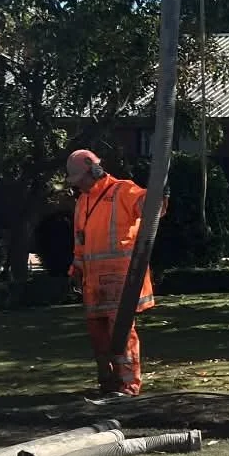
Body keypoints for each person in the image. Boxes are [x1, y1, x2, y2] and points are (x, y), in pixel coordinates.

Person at [66, 150, 155, 396]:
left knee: (122, 333)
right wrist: (77, 267)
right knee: (99, 336)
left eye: (80, 179)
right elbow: (81, 240)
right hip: (93, 283)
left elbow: (149, 207)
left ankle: (129, 385)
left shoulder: (122, 190)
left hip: (121, 280)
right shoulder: (82, 202)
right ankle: (108, 382)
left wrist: (159, 196)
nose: (79, 186)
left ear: (93, 171)